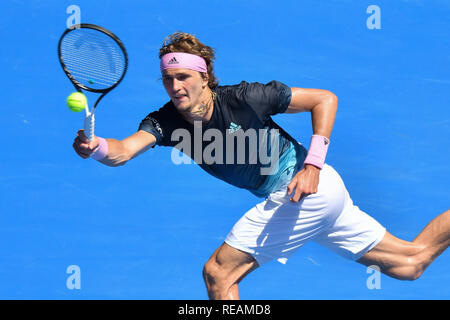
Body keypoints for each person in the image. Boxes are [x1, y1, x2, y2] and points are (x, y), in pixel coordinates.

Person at [73, 32, 449, 300]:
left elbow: (324, 99)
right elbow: (123, 151)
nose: (175, 87)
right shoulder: (166, 121)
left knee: (219, 273)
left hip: (305, 189)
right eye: (168, 79)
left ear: (205, 76)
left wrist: (314, 164)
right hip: (313, 198)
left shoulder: (247, 97)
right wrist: (97, 146)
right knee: (409, 262)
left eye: (183, 76)